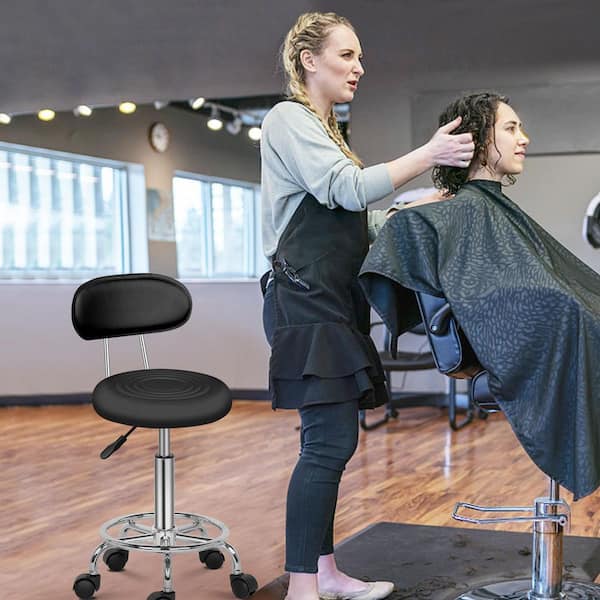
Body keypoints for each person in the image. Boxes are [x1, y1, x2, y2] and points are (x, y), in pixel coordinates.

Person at [260, 12, 474, 600]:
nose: (359, 67)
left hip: (333, 299)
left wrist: (407, 208)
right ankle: (305, 586)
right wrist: (429, 153)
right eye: (347, 55)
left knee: (336, 441)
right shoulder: (288, 119)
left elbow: (354, 220)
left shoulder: (329, 132)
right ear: (309, 60)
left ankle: (323, 572)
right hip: (305, 304)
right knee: (326, 443)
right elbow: (346, 190)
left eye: (360, 57)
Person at [360, 91, 600, 503]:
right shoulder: (450, 213)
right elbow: (488, 291)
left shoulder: (488, 210)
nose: (524, 138)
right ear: (475, 141)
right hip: (504, 351)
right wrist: (568, 306)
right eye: (510, 128)